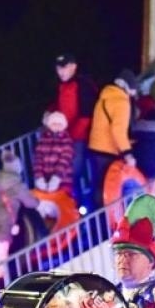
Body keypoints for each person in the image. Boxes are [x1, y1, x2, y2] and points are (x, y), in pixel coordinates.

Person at [47, 53, 99, 202]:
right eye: (58, 68)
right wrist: (49, 114)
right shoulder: (61, 86)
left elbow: (86, 115)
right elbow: (56, 105)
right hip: (67, 137)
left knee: (75, 173)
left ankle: (81, 209)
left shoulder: (83, 84)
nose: (61, 71)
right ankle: (73, 208)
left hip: (80, 138)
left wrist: (70, 137)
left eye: (65, 67)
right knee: (71, 175)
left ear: (74, 67)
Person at [87, 70, 136, 208]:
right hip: (107, 151)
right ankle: (106, 224)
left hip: (95, 147)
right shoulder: (121, 102)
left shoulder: (105, 96)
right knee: (108, 192)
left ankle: (93, 222)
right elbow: (118, 130)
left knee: (97, 187)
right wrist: (128, 153)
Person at [33, 110, 76, 193]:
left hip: (63, 179)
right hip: (45, 179)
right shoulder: (43, 139)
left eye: (59, 124)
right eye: (53, 123)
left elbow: (65, 160)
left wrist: (57, 177)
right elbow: (38, 159)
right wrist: (39, 177)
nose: (56, 126)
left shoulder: (67, 140)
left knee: (64, 201)